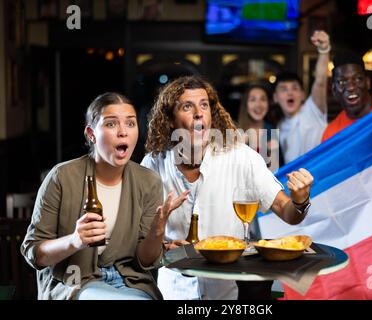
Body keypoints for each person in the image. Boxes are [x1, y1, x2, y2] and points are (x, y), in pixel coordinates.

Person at [141, 76, 313, 300]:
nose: (198, 113)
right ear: (170, 120)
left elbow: (289, 213)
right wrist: (162, 245)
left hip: (227, 294)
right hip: (173, 293)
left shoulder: (242, 157)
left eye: (204, 105)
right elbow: (140, 243)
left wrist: (300, 200)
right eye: (187, 106)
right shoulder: (153, 164)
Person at [21, 92, 184, 300]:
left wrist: (157, 230)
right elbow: (35, 253)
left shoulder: (148, 181)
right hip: (75, 282)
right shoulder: (61, 177)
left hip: (131, 283)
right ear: (91, 134)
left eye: (131, 123)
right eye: (111, 124)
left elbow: (145, 260)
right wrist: (74, 241)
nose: (123, 132)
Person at [274, 30, 330, 163]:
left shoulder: (312, 110)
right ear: (275, 98)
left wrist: (324, 50)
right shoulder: (278, 127)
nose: (290, 93)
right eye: (283, 89)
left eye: (295, 88)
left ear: (303, 95)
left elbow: (320, 82)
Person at [237, 83, 281, 172]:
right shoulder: (236, 132)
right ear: (246, 105)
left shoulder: (273, 131)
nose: (258, 104)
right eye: (253, 100)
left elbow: (278, 171)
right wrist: (238, 147)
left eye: (263, 99)